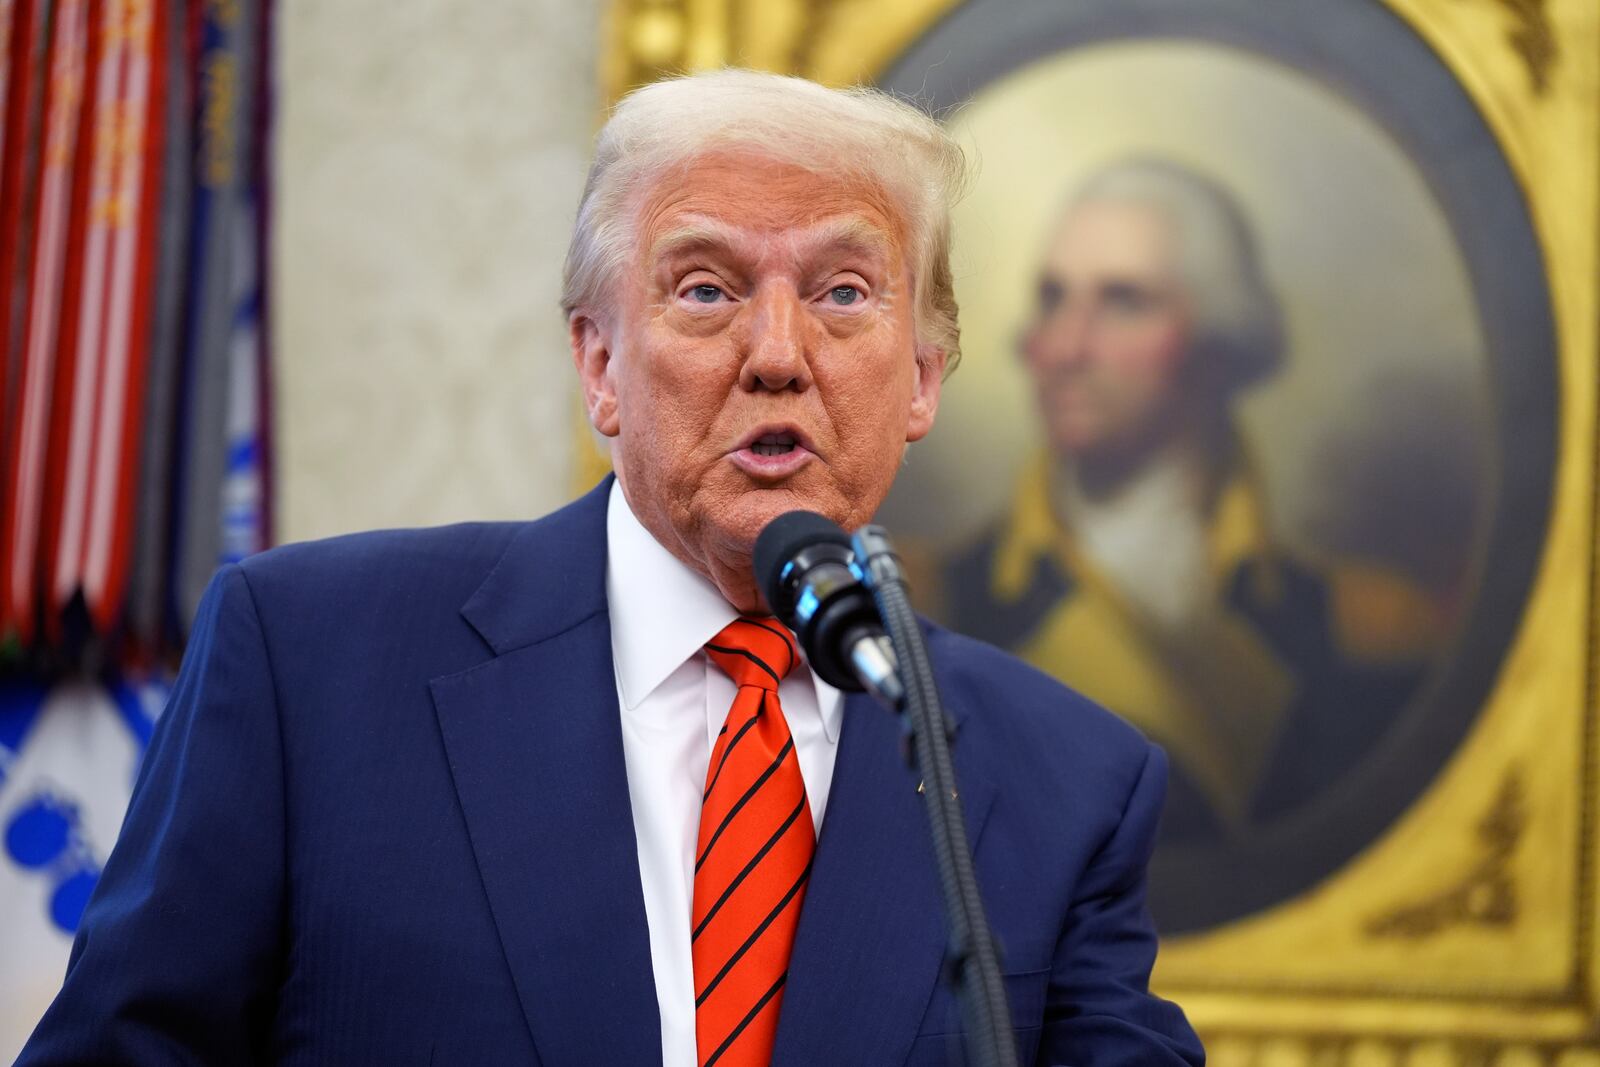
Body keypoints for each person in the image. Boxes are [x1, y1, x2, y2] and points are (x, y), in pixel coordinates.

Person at [20, 73, 1203, 1065]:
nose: (779, 354)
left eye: (845, 292)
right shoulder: (312, 660)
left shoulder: (1066, 779)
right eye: (706, 289)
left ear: (924, 378)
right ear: (598, 366)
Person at [945, 159, 1443, 849]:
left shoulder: (1371, 628)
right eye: (1053, 298)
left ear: (1218, 340)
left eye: (1123, 301)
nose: (1061, 346)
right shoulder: (932, 604)